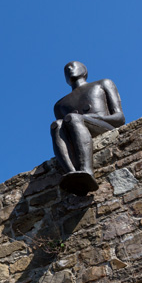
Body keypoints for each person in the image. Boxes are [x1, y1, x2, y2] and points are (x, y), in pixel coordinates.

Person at [51, 61, 125, 195]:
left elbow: (119, 118)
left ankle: (87, 170)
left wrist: (92, 118)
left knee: (73, 118)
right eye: (66, 69)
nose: (69, 68)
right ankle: (71, 173)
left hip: (102, 126)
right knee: (57, 125)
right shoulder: (60, 105)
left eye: (73, 65)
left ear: (84, 70)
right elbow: (65, 133)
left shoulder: (102, 84)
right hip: (78, 127)